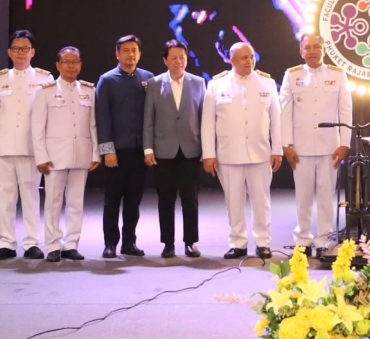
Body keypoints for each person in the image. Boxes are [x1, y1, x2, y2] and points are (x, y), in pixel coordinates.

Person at [201, 42, 283, 260]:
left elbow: (276, 119)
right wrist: (209, 153)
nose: (249, 61)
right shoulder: (216, 85)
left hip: (260, 152)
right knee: (233, 201)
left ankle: (263, 242)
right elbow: (207, 123)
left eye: (251, 57)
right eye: (244, 58)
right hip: (228, 154)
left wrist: (277, 149)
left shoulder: (266, 83)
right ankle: (238, 242)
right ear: (232, 60)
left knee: (261, 201)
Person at [280, 33, 352, 258]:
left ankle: (323, 239)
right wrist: (286, 144)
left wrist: (345, 143)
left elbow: (346, 110)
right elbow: (285, 112)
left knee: (326, 197)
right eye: (307, 47)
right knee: (302, 197)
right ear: (301, 51)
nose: (312, 51)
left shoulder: (338, 75)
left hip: (330, 147)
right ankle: (303, 238)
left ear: (324, 50)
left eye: (316, 47)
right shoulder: (292, 75)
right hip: (300, 148)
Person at [0, 30, 53, 260]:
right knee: (5, 198)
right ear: (9, 52)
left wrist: (46, 151)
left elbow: (50, 118)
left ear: (33, 52)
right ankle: (6, 243)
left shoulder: (45, 78)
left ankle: (32, 242)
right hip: (5, 147)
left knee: (31, 196)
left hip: (32, 148)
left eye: (25, 48)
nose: (20, 53)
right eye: (16, 48)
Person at [32, 46, 99, 262]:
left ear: (81, 65)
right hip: (54, 157)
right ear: (58, 65)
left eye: (75, 62)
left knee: (76, 202)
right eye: (66, 62)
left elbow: (93, 124)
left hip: (81, 154)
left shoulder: (89, 90)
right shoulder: (45, 91)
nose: (71, 66)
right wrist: (41, 156)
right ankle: (53, 245)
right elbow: (37, 127)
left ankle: (71, 244)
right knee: (53, 202)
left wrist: (96, 153)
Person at [143, 39, 206, 259]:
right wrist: (148, 149)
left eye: (182, 57)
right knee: (166, 199)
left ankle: (190, 242)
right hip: (163, 150)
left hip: (191, 150)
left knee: (191, 199)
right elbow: (148, 120)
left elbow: (204, 119)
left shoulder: (198, 82)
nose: (178, 61)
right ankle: (168, 243)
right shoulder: (154, 83)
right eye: (174, 58)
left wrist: (207, 150)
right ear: (165, 60)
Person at [95, 34, 154, 259]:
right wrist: (107, 150)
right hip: (116, 152)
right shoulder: (107, 80)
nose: (131, 54)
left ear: (140, 54)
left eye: (134, 50)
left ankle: (129, 243)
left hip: (140, 151)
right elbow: (102, 118)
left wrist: (150, 148)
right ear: (117, 54)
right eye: (126, 50)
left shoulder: (148, 78)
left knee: (133, 201)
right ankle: (110, 243)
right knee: (112, 200)